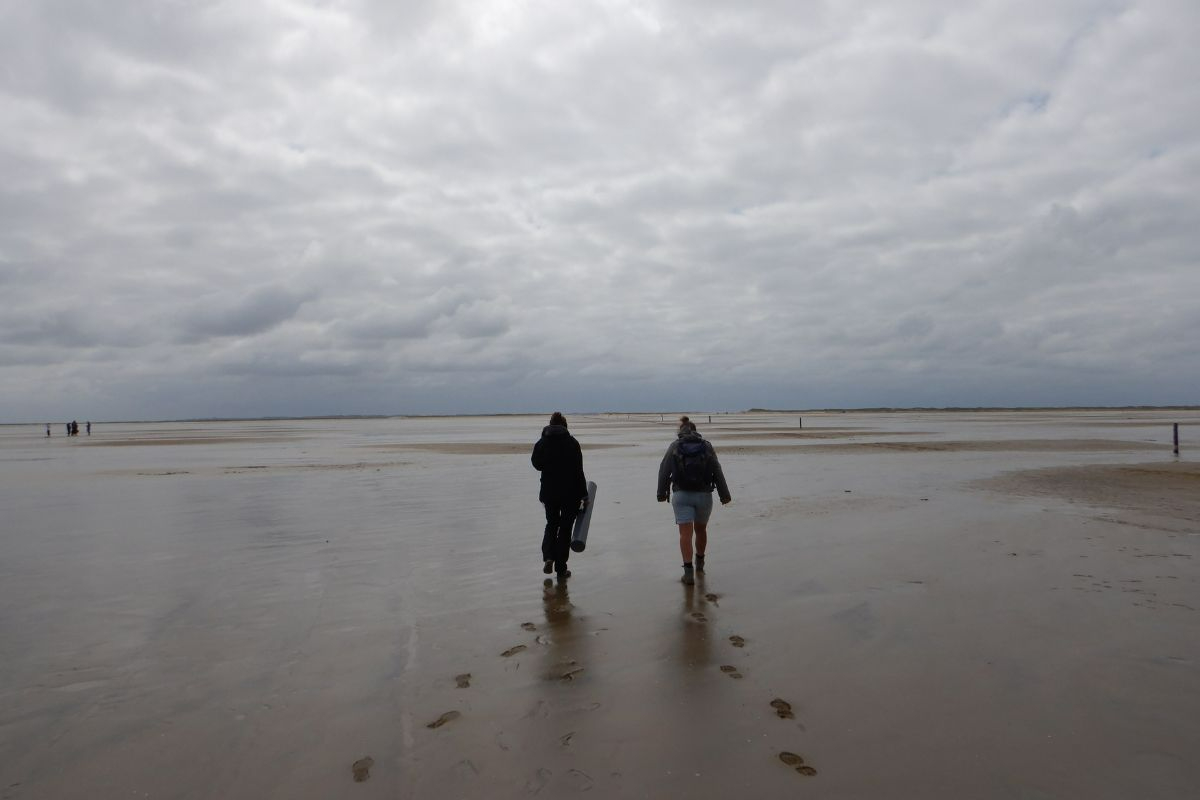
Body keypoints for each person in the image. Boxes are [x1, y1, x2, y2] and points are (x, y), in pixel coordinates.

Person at [657, 416, 731, 585]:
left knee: (685, 534)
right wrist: (724, 495)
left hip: (681, 495)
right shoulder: (706, 446)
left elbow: (664, 469)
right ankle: (700, 564)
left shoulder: (675, 446)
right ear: (695, 430)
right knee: (701, 530)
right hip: (704, 495)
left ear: (680, 431)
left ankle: (688, 573)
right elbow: (717, 470)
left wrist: (661, 493)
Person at [531, 412, 588, 581]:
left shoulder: (542, 443)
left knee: (551, 524)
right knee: (565, 529)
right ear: (565, 426)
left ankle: (548, 557)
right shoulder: (572, 443)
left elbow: (536, 464)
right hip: (570, 494)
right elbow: (579, 470)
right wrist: (584, 494)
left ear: (550, 424)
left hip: (549, 492)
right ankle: (561, 569)